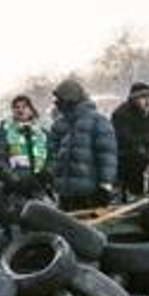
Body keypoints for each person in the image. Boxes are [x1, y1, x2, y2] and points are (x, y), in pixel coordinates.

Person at [47, 79, 118, 211]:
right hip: (65, 192)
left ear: (71, 98)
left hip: (90, 192)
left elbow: (107, 155)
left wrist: (105, 185)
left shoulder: (98, 121)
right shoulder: (59, 124)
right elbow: (52, 155)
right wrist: (52, 178)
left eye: (61, 98)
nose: (58, 102)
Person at [0, 95, 52, 208]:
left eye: (24, 106)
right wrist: (15, 180)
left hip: (40, 188)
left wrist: (48, 175)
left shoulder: (43, 133)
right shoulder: (3, 132)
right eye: (16, 107)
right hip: (15, 191)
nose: (20, 110)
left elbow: (52, 157)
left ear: (32, 110)